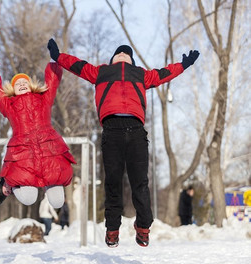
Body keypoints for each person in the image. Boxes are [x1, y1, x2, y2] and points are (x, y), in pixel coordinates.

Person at [47, 38, 199, 248]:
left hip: (136, 132)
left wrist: (183, 65)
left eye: (126, 53)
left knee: (140, 184)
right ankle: (112, 229)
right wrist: (58, 56)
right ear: (111, 59)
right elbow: (78, 66)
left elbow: (165, 73)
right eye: (118, 53)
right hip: (112, 131)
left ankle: (144, 227)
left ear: (132, 61)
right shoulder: (101, 72)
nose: (122, 54)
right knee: (113, 182)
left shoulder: (142, 75)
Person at [0, 52, 76, 209]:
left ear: (31, 85)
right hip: (23, 154)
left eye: (24, 82)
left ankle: (47, 184)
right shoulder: (9, 104)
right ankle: (7, 186)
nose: (21, 84)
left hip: (49, 150)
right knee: (28, 199)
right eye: (17, 83)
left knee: (58, 202)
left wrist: (55, 59)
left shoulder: (44, 99)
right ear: (12, 89)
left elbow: (52, 82)